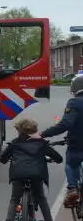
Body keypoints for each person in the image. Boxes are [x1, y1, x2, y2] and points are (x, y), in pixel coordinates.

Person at [0, 117, 59, 221]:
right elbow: (58, 158)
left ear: (19, 131)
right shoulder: (42, 143)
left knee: (15, 199)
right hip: (36, 175)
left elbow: (2, 159)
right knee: (41, 198)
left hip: (18, 174)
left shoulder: (15, 143)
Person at [39, 75, 83, 208]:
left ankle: (72, 189)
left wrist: (44, 134)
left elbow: (66, 124)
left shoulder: (75, 103)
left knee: (71, 164)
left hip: (78, 144)